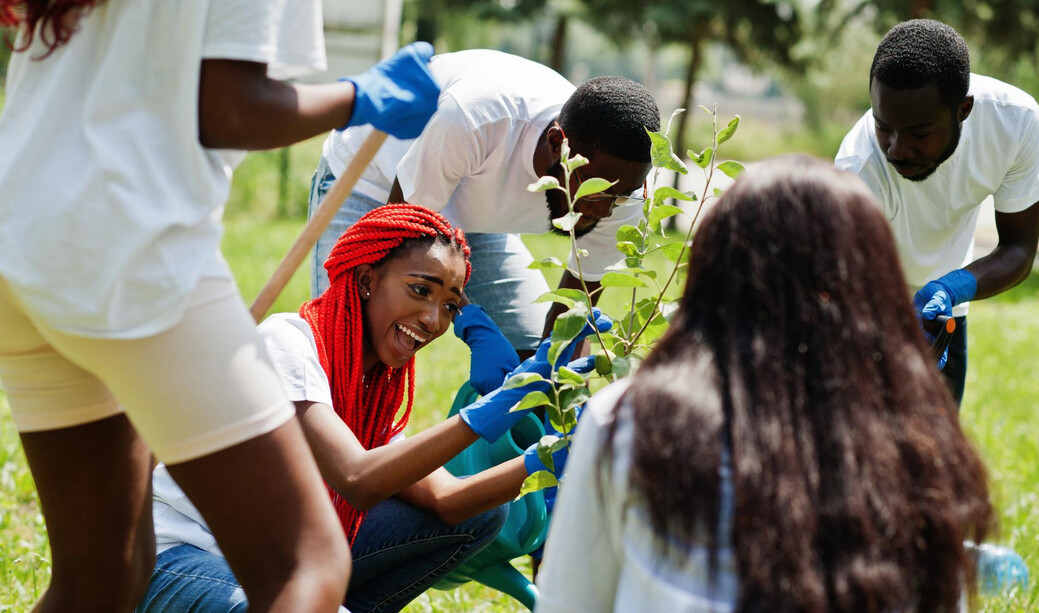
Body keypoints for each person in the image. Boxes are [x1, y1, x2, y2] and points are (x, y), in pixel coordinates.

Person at [0, 1, 443, 610]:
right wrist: (356, 96)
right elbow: (229, 108)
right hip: (130, 245)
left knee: (100, 577)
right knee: (306, 564)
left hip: (19, 240)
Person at [535, 155, 995, 613]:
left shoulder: (629, 420)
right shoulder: (917, 446)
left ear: (711, 276)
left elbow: (567, 602)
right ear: (873, 288)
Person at [136, 204, 610, 613]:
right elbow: (358, 479)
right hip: (177, 559)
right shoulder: (287, 344)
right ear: (367, 279)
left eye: (449, 306)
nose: (432, 319)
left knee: (484, 514)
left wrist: (551, 456)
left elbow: (448, 501)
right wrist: (496, 406)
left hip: (273, 565)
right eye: (421, 290)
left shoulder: (370, 396)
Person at [308, 49, 661, 359]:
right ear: (557, 143)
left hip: (475, 216)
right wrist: (472, 324)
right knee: (355, 342)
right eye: (594, 190)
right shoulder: (475, 118)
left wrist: (555, 380)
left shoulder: (624, 186)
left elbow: (577, 303)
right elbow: (402, 250)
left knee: (528, 355)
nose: (605, 210)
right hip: (375, 183)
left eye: (620, 196)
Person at [835, 19, 1039, 405]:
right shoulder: (857, 169)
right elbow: (843, 287)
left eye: (919, 133)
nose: (897, 149)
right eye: (884, 127)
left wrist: (951, 288)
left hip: (944, 307)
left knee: (936, 457)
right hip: (869, 306)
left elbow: (1020, 248)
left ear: (963, 110)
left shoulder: (1014, 122)